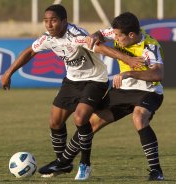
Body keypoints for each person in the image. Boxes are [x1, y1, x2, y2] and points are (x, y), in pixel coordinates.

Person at [1, 5, 143, 181]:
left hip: (94, 81)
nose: (49, 25)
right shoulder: (48, 38)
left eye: (53, 20)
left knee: (80, 118)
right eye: (46, 21)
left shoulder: (75, 35)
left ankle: (85, 165)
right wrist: (8, 73)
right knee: (54, 121)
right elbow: (30, 51)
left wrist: (126, 58)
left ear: (64, 21)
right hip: (72, 81)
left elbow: (99, 47)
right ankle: (63, 163)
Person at [41, 12, 165, 181]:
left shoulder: (150, 46)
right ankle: (64, 162)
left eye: (118, 36)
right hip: (123, 90)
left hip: (149, 91)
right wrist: (94, 35)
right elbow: (100, 34)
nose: (115, 38)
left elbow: (158, 74)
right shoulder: (118, 32)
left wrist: (130, 73)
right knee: (90, 124)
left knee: (138, 118)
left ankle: (156, 171)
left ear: (131, 35)